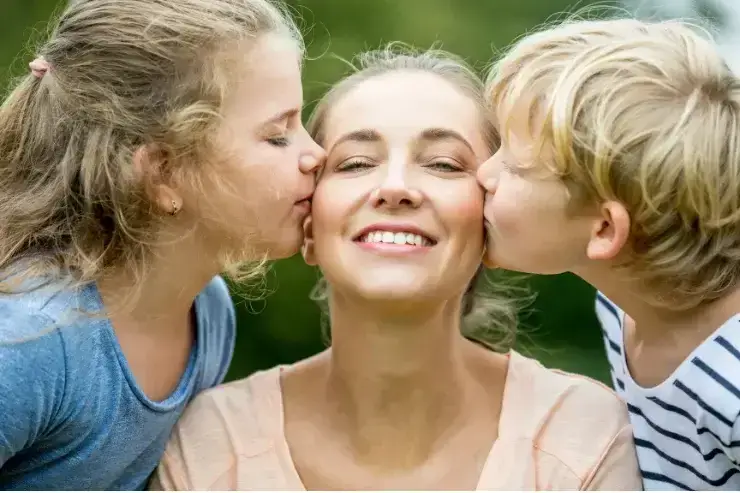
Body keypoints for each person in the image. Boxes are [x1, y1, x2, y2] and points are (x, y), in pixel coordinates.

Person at [151, 45, 641, 491]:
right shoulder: (211, 443)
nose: (396, 186)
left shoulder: (582, 436)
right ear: (308, 227)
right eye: (356, 163)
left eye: (445, 164)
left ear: (492, 220)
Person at [0, 0, 324, 489]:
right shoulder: (33, 340)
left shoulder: (208, 313)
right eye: (278, 135)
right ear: (164, 174)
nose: (316, 155)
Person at [478, 17, 740, 490]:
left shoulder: (732, 377)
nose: (483, 174)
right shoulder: (621, 305)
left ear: (603, 229)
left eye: (513, 167)